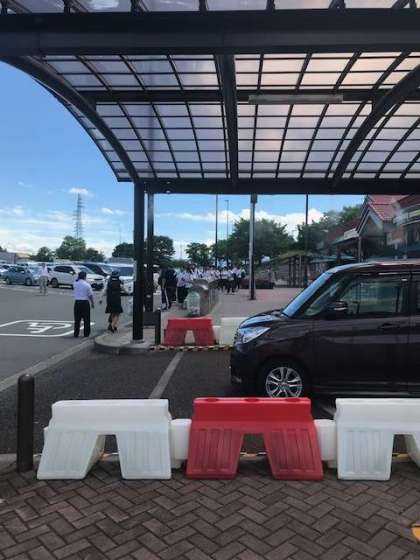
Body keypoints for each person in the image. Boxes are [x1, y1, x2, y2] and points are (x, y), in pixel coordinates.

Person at [73, 270, 94, 338]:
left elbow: (76, 281)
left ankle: (76, 333)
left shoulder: (75, 283)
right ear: (85, 276)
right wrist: (92, 303)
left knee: (77, 319)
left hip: (77, 302)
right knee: (86, 319)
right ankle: (86, 334)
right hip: (85, 302)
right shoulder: (87, 285)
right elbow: (90, 295)